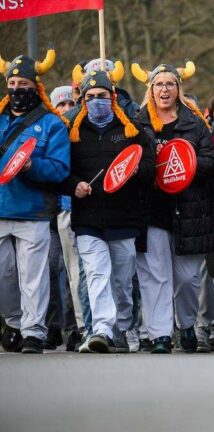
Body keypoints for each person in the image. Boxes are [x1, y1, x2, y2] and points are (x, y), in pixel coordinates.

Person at [63, 68, 154, 353]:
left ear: (112, 96)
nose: (96, 101)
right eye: (90, 97)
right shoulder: (72, 132)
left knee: (122, 281)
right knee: (96, 273)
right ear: (83, 99)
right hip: (88, 218)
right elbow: (62, 170)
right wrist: (74, 184)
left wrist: (136, 171)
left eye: (101, 96)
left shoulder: (132, 129)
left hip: (124, 217)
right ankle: (101, 329)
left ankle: (125, 327)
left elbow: (149, 168)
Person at [131, 60, 214, 353]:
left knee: (188, 278)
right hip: (151, 211)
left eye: (170, 84)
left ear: (178, 89)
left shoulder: (194, 122)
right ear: (151, 90)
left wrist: (188, 162)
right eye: (158, 84)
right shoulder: (137, 123)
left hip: (189, 210)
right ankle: (160, 335)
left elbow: (211, 160)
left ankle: (187, 324)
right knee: (155, 276)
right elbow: (129, 163)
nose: (164, 89)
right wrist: (150, 162)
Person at [0, 48, 71, 353]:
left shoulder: (52, 124)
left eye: (24, 86)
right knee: (3, 275)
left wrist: (32, 166)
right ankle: (14, 322)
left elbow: (60, 169)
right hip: (1, 208)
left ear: (36, 87)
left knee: (34, 276)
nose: (17, 91)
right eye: (12, 86)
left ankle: (34, 331)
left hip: (34, 211)